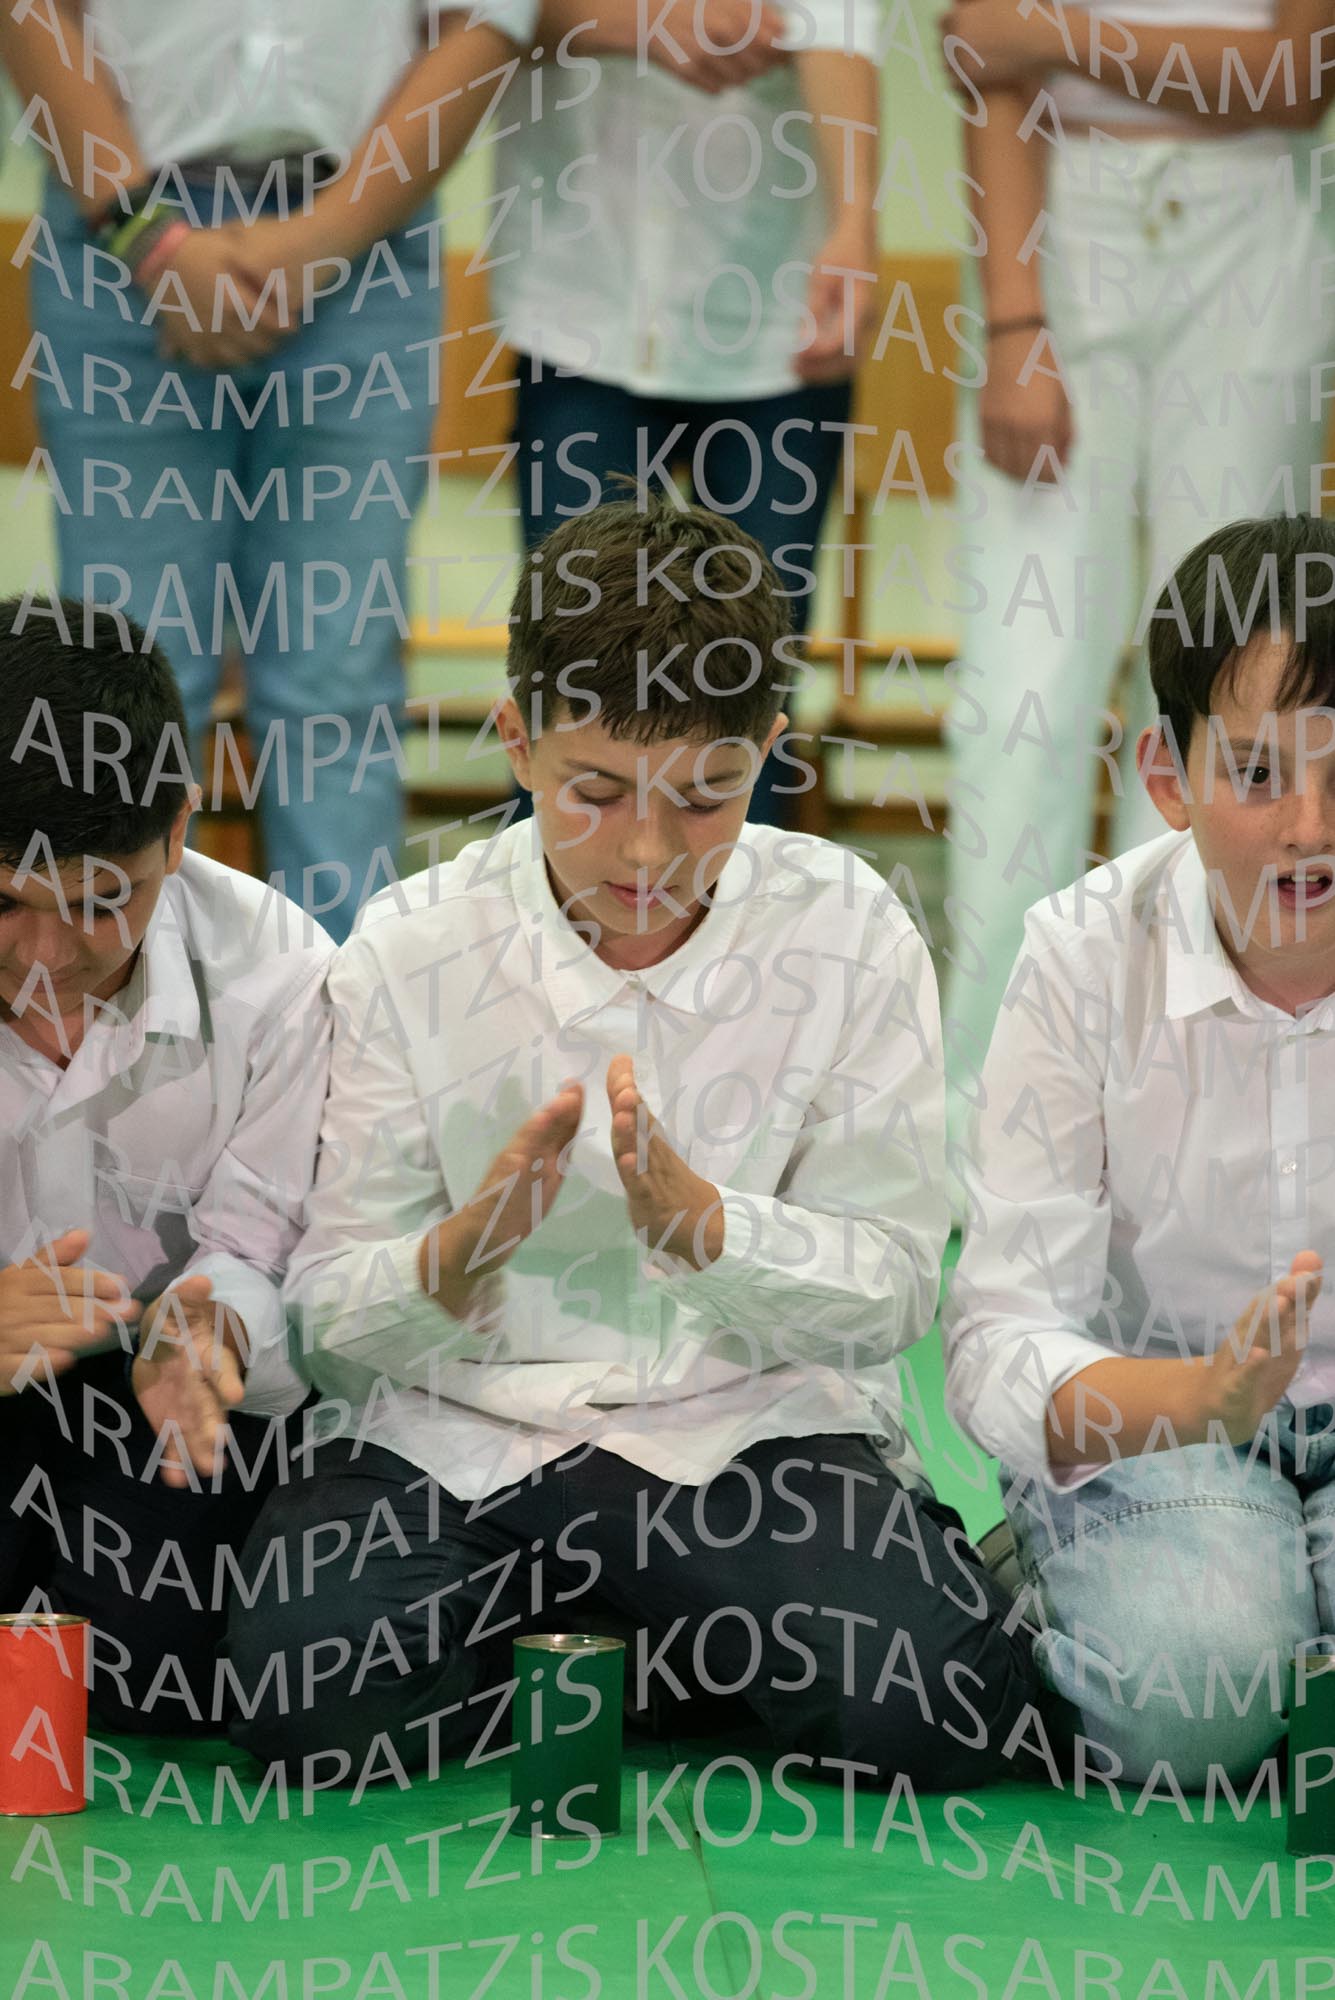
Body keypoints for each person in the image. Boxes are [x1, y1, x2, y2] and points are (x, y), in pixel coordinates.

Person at [225, 494, 1040, 1792]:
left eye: (707, 795)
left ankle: (600, 1652)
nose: (648, 851)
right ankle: (680, 1657)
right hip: (461, 1425)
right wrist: (446, 1264)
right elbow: (325, 1321)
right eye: (594, 792)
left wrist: (711, 1234)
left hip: (746, 1427)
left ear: (768, 752)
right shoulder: (409, 944)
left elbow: (895, 1289)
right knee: (297, 1695)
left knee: (927, 1709)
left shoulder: (847, 925)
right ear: (515, 739)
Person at [1, 0, 788, 941]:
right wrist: (151, 238)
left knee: (337, 682)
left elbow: (484, 17)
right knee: (124, 679)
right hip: (115, 233)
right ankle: (120, 1004)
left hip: (366, 239)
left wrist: (315, 243)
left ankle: (340, 1003)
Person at [944, 512, 1335, 1792]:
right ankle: (1084, 1570)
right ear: (1167, 774)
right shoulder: (1079, 955)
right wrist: (1198, 1400)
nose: (1311, 827)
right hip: (1161, 1437)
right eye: (1259, 773)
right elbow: (1000, 1331)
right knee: (1188, 1705)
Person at [935, 0, 1335, 1167]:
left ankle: (1172, 1113)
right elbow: (982, 53)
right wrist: (1016, 323)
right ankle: (980, 1122)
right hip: (1054, 226)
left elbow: (1297, 76)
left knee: (1224, 698)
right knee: (1020, 703)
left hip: (1253, 227)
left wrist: (1060, 36)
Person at [0, 599, 333, 1735]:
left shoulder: (281, 972)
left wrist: (214, 1325)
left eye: (103, 898)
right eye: (3, 902)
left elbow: (263, 1244)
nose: (48, 956)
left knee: (150, 1668)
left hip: (159, 1393)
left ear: (181, 824)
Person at [496, 0, 883, 830]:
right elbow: (470, 22)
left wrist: (855, 222)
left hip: (774, 312)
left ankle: (745, 907)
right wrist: (636, 22)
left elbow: (838, 25)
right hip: (578, 304)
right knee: (568, 660)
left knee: (752, 667)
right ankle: (546, 906)